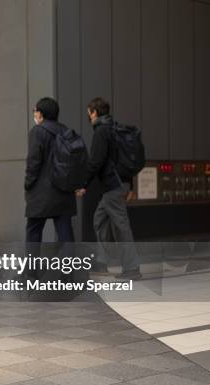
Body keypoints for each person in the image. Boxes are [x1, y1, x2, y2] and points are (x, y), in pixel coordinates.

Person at [77, 97, 141, 280]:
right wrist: (130, 185)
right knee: (100, 220)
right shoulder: (114, 128)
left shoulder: (101, 131)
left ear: (94, 112)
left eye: (89, 112)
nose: (88, 116)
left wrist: (83, 184)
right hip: (119, 184)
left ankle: (132, 268)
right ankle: (102, 262)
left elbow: (96, 161)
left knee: (121, 226)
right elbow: (125, 159)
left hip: (113, 185)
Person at [24, 97, 76, 242]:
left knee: (33, 233)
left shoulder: (37, 132)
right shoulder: (67, 131)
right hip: (64, 192)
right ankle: (69, 264)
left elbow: (33, 162)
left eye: (35, 111)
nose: (35, 114)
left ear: (40, 114)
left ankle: (33, 265)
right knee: (66, 235)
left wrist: (28, 184)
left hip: (41, 194)